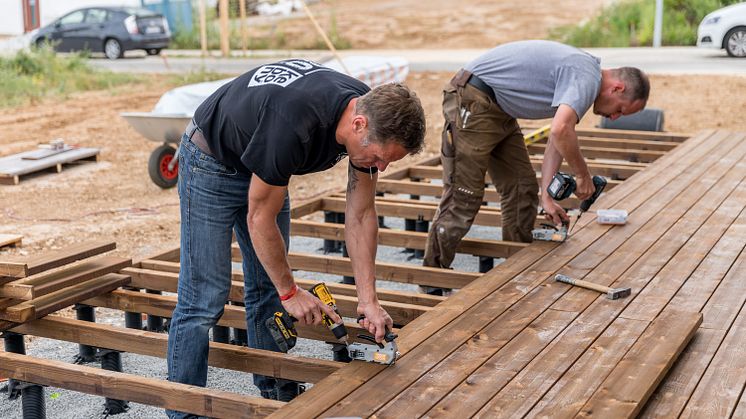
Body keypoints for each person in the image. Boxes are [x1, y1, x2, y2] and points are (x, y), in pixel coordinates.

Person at [166, 58, 426, 417]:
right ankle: (184, 410)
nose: (380, 168)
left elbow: (362, 214)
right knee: (204, 296)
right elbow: (260, 218)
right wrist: (291, 291)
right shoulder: (293, 124)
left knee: (267, 289)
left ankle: (273, 387)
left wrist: (368, 299)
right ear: (359, 124)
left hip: (263, 163)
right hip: (212, 161)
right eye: (380, 158)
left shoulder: (368, 112)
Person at [423, 40, 649, 275]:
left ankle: (515, 268)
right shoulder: (587, 78)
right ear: (618, 88)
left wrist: (547, 198)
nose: (614, 117)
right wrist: (583, 176)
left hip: (498, 108)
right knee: (464, 196)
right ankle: (432, 281)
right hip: (474, 99)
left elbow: (556, 140)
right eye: (620, 110)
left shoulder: (584, 75)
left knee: (522, 188)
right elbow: (561, 131)